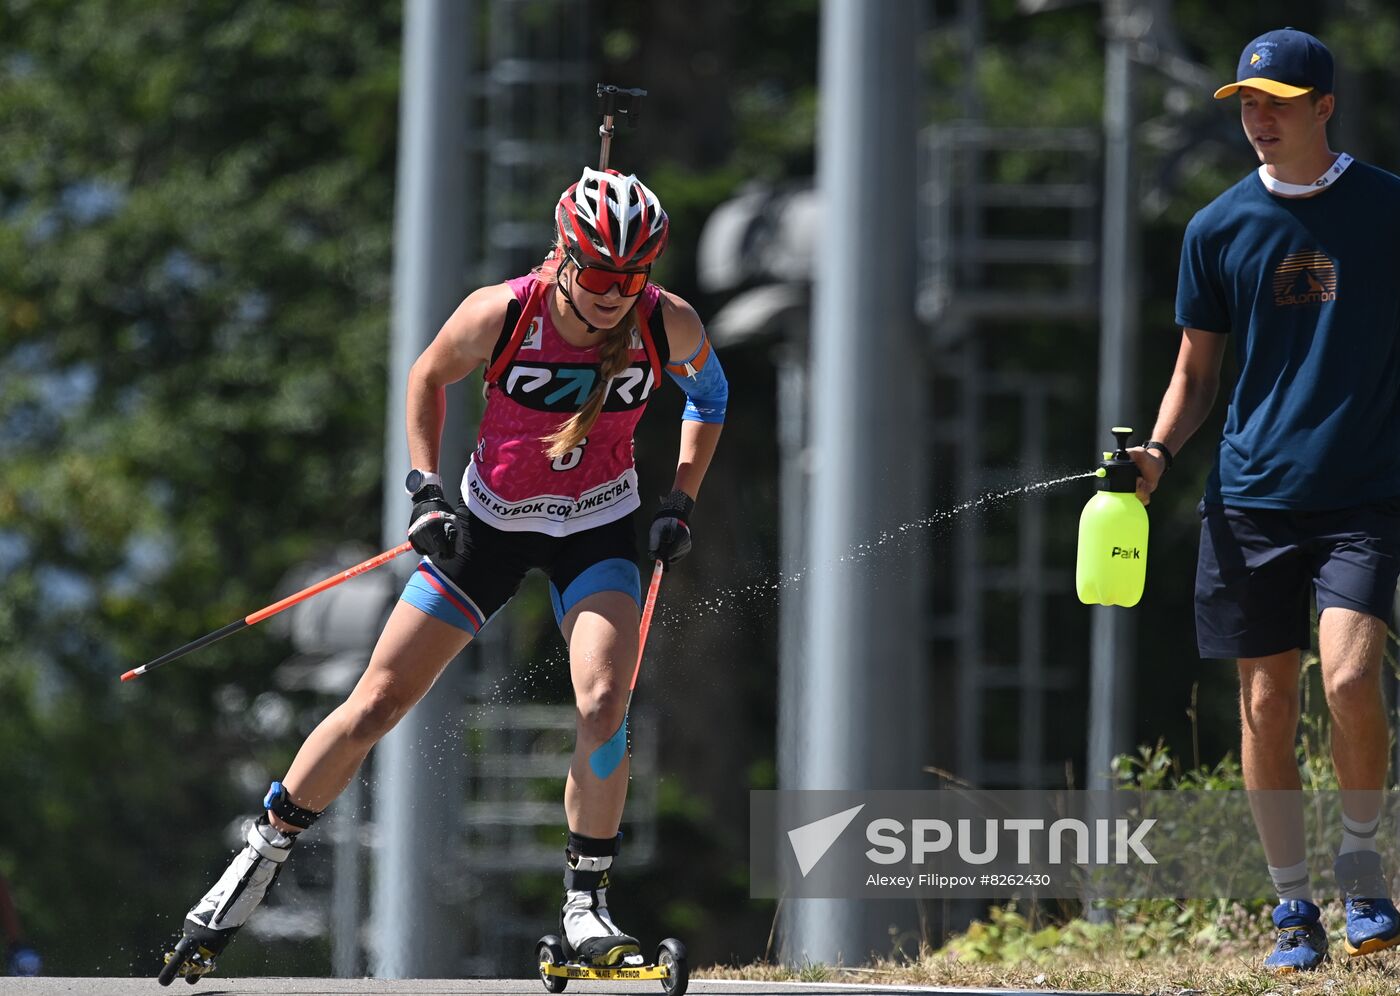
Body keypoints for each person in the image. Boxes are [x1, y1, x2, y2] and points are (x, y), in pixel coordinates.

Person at [159, 167, 727, 983]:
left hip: (597, 526)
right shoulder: (504, 312)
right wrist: (425, 488)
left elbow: (710, 392)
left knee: (605, 700)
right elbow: (428, 377)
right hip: (488, 526)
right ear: (566, 255)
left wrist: (681, 495)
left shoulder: (664, 320)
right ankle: (254, 863)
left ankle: (583, 909)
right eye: (600, 275)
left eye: (629, 277)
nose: (613, 294)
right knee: (378, 701)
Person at [1131, 26, 1400, 974]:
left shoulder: (1388, 209)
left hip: (1363, 494)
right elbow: (1196, 374)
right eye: (1247, 103)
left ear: (1324, 106)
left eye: (1277, 103)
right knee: (1264, 706)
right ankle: (1293, 906)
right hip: (1248, 498)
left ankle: (1363, 871)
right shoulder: (1216, 229)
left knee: (1350, 680)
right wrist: (1158, 453)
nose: (1257, 118)